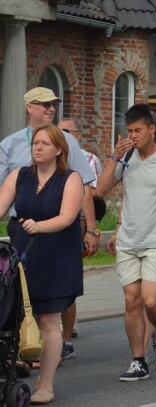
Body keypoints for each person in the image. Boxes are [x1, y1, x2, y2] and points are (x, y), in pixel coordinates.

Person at [97, 104, 156, 381]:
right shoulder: (126, 159)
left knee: (150, 300)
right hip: (128, 242)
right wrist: (114, 157)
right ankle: (138, 360)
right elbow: (99, 192)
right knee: (131, 301)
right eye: (129, 131)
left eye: (138, 130)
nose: (133, 136)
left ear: (152, 129)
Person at [0, 123, 85, 405]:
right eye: (36, 142)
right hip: (23, 253)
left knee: (49, 321)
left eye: (45, 143)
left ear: (59, 149)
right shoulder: (19, 175)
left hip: (57, 255)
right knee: (18, 317)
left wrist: (39, 226)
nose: (38, 147)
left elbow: (68, 217)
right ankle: (15, 369)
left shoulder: (70, 178)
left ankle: (45, 384)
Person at [0, 87, 98, 255]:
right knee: (23, 278)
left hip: (60, 226)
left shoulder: (67, 141)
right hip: (22, 225)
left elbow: (85, 188)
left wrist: (90, 229)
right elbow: (3, 190)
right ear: (29, 107)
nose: (52, 109)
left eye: (54, 104)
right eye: (46, 104)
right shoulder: (10, 144)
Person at [57, 117, 104, 359]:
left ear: (77, 135)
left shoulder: (88, 159)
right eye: (59, 131)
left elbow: (93, 191)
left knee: (67, 283)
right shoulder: (50, 157)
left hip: (75, 223)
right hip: (49, 225)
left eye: (67, 131)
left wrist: (90, 229)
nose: (62, 134)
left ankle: (65, 335)